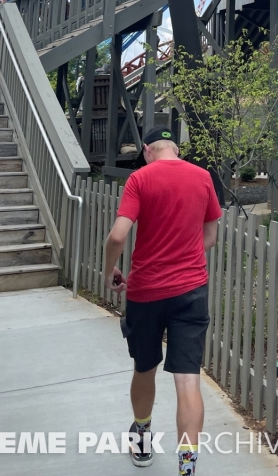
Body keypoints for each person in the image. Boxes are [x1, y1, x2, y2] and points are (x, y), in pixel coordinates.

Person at [104, 128, 221, 472]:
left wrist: (109, 268)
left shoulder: (140, 179)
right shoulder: (202, 178)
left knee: (146, 366)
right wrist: (184, 257)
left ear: (146, 150)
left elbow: (118, 234)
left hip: (147, 292)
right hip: (191, 290)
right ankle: (187, 466)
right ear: (177, 148)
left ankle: (142, 437)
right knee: (187, 379)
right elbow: (211, 234)